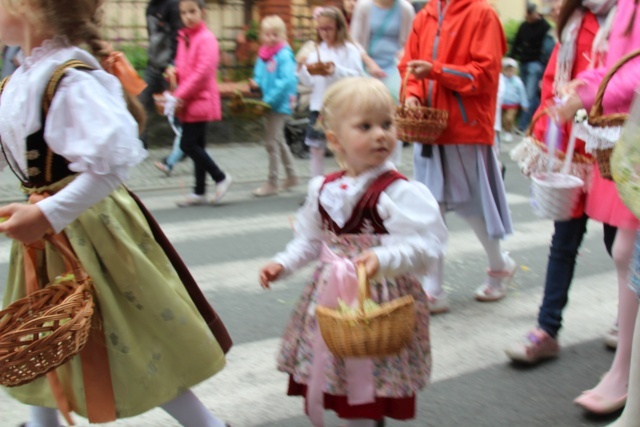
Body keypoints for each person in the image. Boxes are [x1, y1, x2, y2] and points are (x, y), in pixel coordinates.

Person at [0, 0, 232, 426]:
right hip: (48, 233)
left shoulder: (68, 79)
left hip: (90, 234)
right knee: (46, 335)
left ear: (32, 9)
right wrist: (39, 212)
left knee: (131, 335)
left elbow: (109, 168)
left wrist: (48, 213)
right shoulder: (23, 77)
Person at [259, 76, 447, 427]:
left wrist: (384, 259)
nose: (381, 134)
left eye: (387, 124)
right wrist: (282, 264)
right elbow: (311, 240)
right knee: (341, 370)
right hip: (333, 300)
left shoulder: (400, 192)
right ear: (335, 140)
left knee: (373, 374)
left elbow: (426, 247)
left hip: (381, 300)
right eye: (366, 126)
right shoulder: (323, 188)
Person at [505, 0, 618, 366]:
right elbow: (551, 85)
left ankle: (626, 320)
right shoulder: (573, 24)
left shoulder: (628, 19)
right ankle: (546, 329)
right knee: (563, 242)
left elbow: (623, 79)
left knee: (620, 246)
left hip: (614, 151)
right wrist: (545, 132)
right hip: (574, 154)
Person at [550, 0, 640, 414]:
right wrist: (583, 85)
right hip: (632, 142)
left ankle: (624, 374)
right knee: (626, 254)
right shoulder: (624, 9)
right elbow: (618, 66)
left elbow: (630, 72)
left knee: (628, 255)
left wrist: (586, 90)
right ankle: (623, 372)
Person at [398, 0, 514, 312]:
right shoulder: (425, 15)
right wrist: (412, 96)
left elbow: (485, 75)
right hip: (429, 129)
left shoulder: (483, 14)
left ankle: (499, 265)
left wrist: (435, 71)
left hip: (466, 128)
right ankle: (433, 287)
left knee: (473, 205)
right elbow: (409, 66)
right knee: (430, 208)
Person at [169, 0, 232, 207]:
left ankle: (220, 177)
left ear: (202, 12)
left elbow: (202, 73)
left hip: (200, 99)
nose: (187, 16)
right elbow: (184, 68)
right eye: (183, 12)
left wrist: (179, 94)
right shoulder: (184, 37)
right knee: (198, 145)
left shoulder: (206, 39)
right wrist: (173, 73)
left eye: (192, 11)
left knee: (188, 144)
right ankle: (199, 191)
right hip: (189, 100)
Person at [297, 6, 365, 178]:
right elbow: (310, 82)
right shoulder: (317, 50)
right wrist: (301, 69)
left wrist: (335, 70)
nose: (324, 33)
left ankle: (348, 180)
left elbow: (358, 76)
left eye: (329, 29)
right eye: (321, 29)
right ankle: (317, 185)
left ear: (339, 28)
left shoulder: (349, 50)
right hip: (319, 105)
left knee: (342, 148)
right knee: (315, 148)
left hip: (342, 106)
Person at [350, 0, 416, 165]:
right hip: (367, 65)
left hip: (393, 66)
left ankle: (392, 163)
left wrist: (402, 55)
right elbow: (354, 40)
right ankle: (366, 158)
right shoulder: (364, 7)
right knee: (366, 109)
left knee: (394, 110)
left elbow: (411, 40)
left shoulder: (405, 9)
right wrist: (369, 62)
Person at [249, 15, 299, 197]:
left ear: (283, 35)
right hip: (268, 103)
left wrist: (268, 100)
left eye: (275, 34)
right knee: (278, 140)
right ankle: (292, 175)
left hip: (279, 103)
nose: (270, 38)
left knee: (270, 143)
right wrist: (255, 83)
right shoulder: (264, 54)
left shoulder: (284, 55)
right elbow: (260, 76)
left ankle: (272, 181)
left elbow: (286, 81)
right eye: (267, 34)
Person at [139, 0, 182, 148]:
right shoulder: (151, 7)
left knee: (175, 109)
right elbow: (153, 38)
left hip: (168, 68)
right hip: (153, 67)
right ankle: (141, 144)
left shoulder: (172, 5)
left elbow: (178, 36)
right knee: (141, 102)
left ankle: (183, 145)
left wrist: (173, 64)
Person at [510, 2, 552, 131]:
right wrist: (512, 59)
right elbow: (517, 43)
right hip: (523, 63)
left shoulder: (544, 26)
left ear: (534, 14)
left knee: (529, 95)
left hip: (535, 65)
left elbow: (547, 47)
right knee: (526, 95)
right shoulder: (524, 26)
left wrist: (542, 64)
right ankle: (535, 123)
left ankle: (523, 125)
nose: (528, 19)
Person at [500, 57, 529, 143]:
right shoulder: (501, 79)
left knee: (509, 118)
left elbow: (522, 92)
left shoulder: (517, 81)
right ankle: (505, 130)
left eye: (511, 70)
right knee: (503, 119)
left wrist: (524, 104)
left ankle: (508, 132)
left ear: (515, 70)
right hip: (502, 103)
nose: (509, 72)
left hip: (513, 104)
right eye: (507, 70)